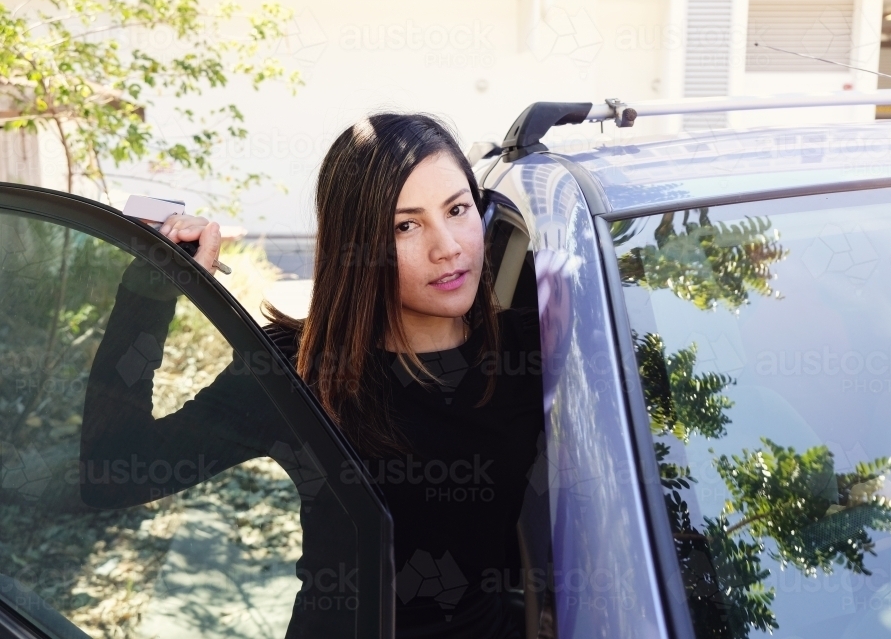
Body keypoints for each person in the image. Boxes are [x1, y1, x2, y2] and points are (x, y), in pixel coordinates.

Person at [81, 113, 544, 638]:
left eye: (457, 210)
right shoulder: (300, 371)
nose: (449, 247)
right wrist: (151, 292)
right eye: (406, 225)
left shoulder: (531, 349)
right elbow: (112, 474)